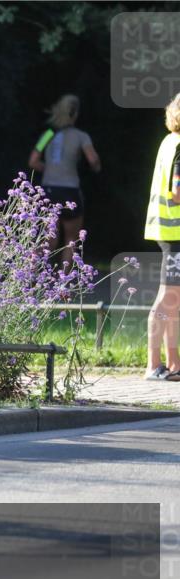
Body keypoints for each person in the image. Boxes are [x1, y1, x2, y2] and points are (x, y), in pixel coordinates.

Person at [28, 94, 101, 267]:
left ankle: (27, 276)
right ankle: (62, 288)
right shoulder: (82, 136)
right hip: (70, 191)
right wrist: (96, 168)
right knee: (71, 240)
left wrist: (51, 169)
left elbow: (32, 161)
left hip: (48, 191)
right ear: (75, 114)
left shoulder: (48, 134)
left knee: (48, 241)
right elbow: (93, 159)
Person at [144, 92, 180, 382]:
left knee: (173, 300)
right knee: (167, 298)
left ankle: (173, 364)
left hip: (167, 230)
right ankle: (153, 365)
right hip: (175, 232)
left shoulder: (170, 141)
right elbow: (178, 192)